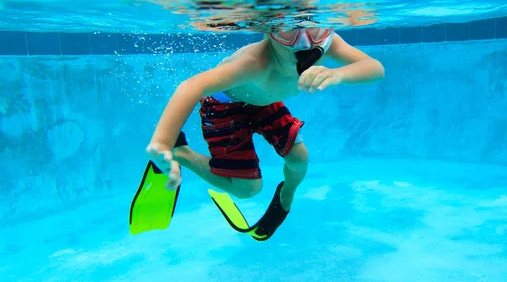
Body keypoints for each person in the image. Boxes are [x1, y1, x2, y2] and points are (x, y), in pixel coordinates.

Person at [145, 26, 384, 232]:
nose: (304, 42)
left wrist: (337, 74)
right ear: (268, 32)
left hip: (264, 102)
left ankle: (286, 193)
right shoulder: (255, 63)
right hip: (224, 106)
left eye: (313, 29)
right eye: (289, 32)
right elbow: (192, 86)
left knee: (300, 159)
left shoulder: (327, 43)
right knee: (247, 190)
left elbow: (374, 67)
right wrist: (163, 142)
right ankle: (182, 153)